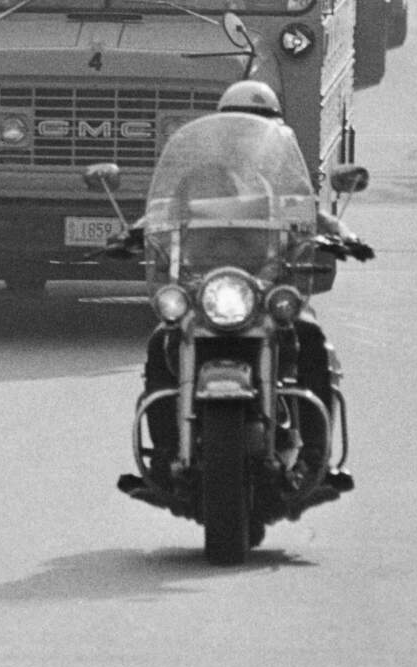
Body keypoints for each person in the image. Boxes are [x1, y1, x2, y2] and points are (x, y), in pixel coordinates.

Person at [120, 81, 371, 505]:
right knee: (162, 342)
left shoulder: (285, 181)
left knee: (310, 341)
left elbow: (316, 216)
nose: (248, 135)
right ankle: (165, 456)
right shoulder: (198, 180)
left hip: (267, 290)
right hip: (207, 290)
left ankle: (315, 459)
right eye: (241, 124)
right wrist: (131, 235)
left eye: (260, 124)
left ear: (274, 128)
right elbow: (162, 214)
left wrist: (345, 236)